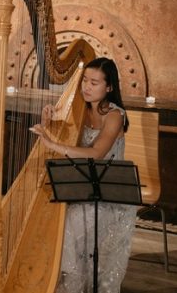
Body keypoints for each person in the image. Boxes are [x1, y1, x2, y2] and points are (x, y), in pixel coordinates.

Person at [31, 57, 136, 293]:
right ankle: (71, 284)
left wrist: (54, 144)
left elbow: (96, 153)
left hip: (109, 195)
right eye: (85, 81)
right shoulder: (77, 108)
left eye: (95, 83)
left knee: (69, 224)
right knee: (59, 219)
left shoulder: (115, 115)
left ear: (109, 87)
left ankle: (74, 285)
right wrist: (48, 120)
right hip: (81, 188)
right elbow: (62, 141)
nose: (87, 87)